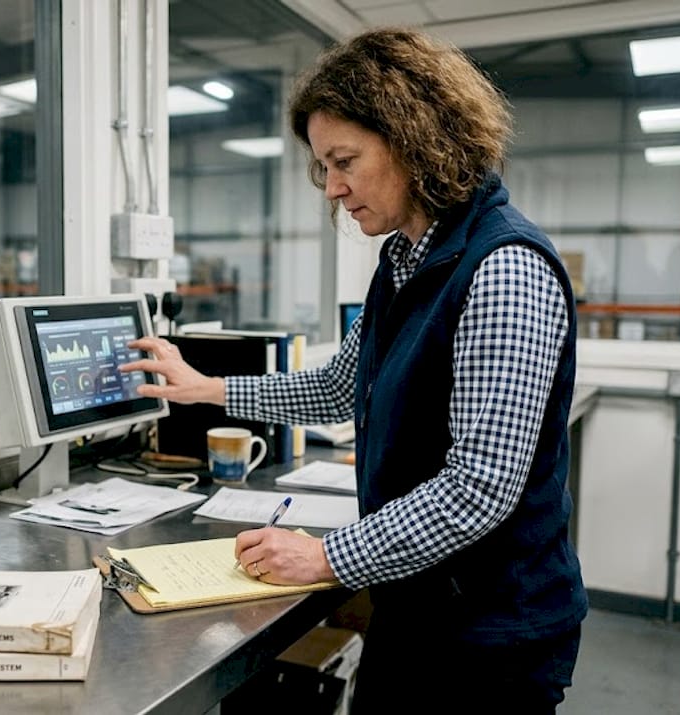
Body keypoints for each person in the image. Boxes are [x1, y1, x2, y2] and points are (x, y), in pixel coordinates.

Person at [121, 26, 586, 713]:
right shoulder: (403, 262)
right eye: (323, 167)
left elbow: (480, 489)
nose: (334, 188)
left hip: (490, 640)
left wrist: (327, 557)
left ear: (415, 140)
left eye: (345, 161)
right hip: (418, 603)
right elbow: (339, 383)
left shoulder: (504, 269)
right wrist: (205, 387)